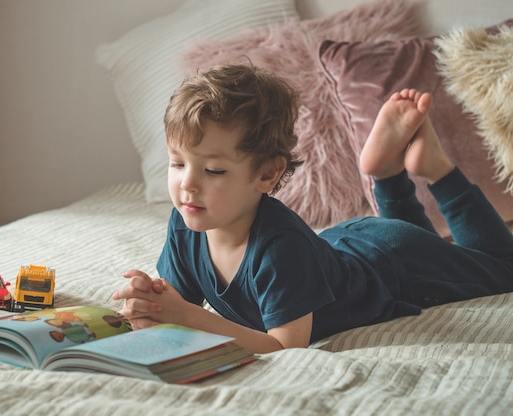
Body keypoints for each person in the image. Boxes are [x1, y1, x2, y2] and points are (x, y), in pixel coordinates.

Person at [112, 64, 513, 354]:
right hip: (347, 245)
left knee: (502, 267)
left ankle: (438, 171)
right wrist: (151, 300)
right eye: (177, 163)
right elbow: (178, 305)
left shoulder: (279, 246)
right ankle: (388, 174)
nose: (187, 183)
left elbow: (283, 345)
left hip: (398, 262)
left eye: (213, 169)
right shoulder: (187, 222)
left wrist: (185, 316)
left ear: (267, 175)